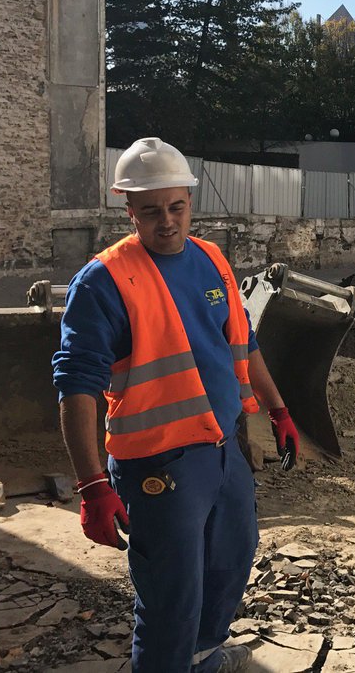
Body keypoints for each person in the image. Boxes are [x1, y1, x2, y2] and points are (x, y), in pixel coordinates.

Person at [53, 137, 302, 673]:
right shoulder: (104, 282)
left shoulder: (211, 259)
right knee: (171, 598)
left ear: (191, 201)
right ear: (130, 211)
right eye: (150, 211)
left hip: (221, 452)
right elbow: (76, 386)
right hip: (159, 468)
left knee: (230, 566)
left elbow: (243, 342)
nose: (166, 222)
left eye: (175, 207)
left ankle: (204, 656)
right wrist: (93, 485)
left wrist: (277, 409)